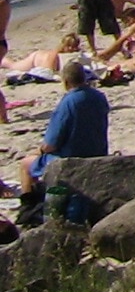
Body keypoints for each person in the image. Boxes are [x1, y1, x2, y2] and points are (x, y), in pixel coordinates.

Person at [23, 58, 108, 205]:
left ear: (66, 82)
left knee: (26, 165)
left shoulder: (69, 102)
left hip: (70, 159)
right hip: (97, 154)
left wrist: (41, 151)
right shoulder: (99, 97)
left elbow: (51, 144)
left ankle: (28, 208)